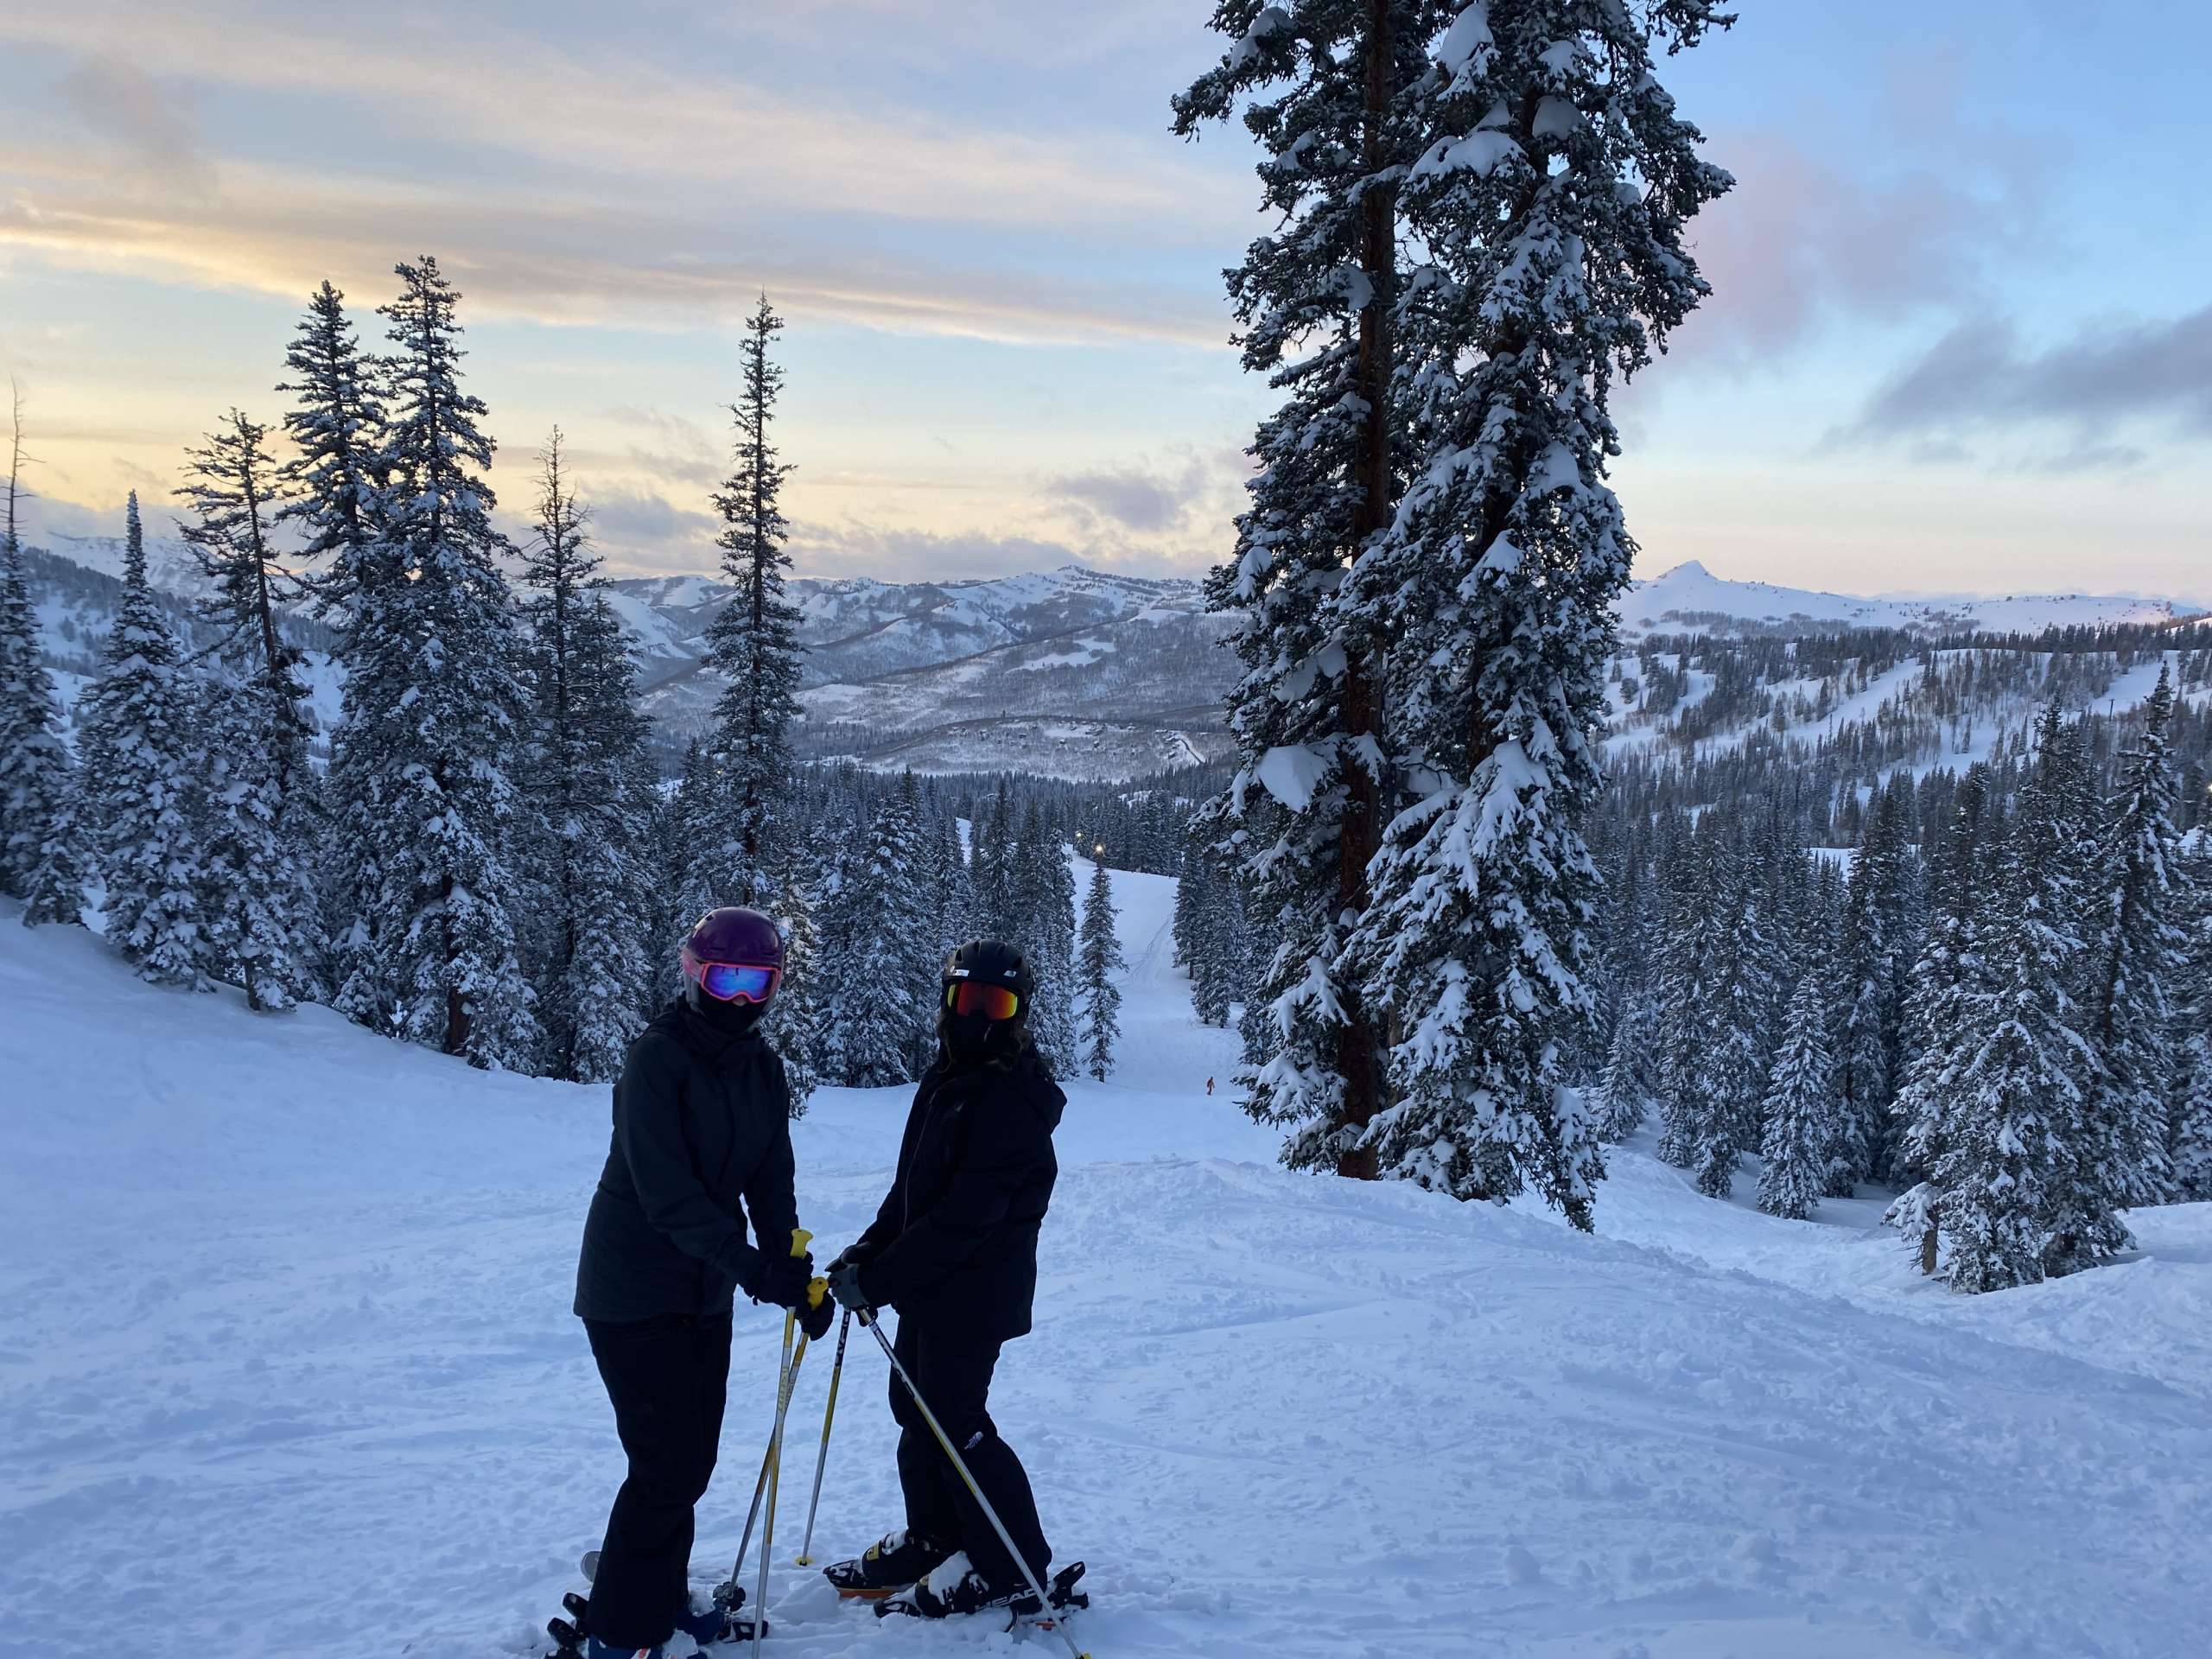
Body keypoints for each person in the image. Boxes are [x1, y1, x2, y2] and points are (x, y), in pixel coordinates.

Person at [571, 906, 833, 1659]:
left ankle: (654, 1593)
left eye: (760, 983)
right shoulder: (655, 1058)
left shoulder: (763, 1068)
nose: (743, 1000)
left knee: (690, 1461)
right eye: (729, 979)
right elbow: (666, 1194)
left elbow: (770, 1175)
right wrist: (753, 1269)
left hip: (704, 1293)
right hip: (632, 1289)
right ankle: (620, 1634)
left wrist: (792, 1268)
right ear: (694, 974)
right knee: (664, 1465)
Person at [820, 938, 1067, 1619]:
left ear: (1018, 1014)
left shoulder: (1012, 1101)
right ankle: (936, 1536)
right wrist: (867, 1254)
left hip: (976, 1293)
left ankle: (1013, 1564)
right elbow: (913, 1196)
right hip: (929, 1284)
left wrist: (881, 1278)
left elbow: (964, 1219)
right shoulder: (947, 1079)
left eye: (996, 1003)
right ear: (947, 1002)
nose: (978, 1016)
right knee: (916, 1412)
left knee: (954, 1420)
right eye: (968, 1000)